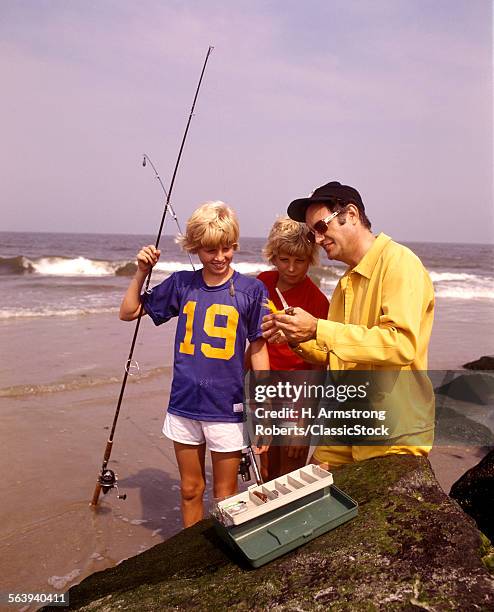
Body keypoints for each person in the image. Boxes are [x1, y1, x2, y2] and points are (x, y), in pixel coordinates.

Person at [261, 181, 435, 470]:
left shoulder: (400, 263)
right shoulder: (345, 283)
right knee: (304, 493)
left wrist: (317, 327)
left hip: (393, 431)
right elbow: (338, 351)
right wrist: (295, 338)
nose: (317, 239)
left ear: (351, 214)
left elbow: (400, 344)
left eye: (321, 227)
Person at [120, 201, 269, 527]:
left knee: (227, 494)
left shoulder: (252, 290)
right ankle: (191, 560)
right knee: (190, 489)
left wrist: (264, 408)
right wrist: (142, 272)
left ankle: (225, 562)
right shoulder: (181, 284)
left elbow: (258, 349)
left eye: (227, 248)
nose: (219, 257)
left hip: (227, 411)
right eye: (209, 250)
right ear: (195, 247)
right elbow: (129, 311)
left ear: (235, 245)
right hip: (184, 405)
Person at [251, 216, 329, 480]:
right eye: (285, 260)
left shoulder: (317, 301)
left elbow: (319, 366)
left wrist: (303, 422)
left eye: (300, 261)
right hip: (263, 388)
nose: (293, 268)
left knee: (290, 470)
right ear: (273, 257)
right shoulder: (260, 284)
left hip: (298, 394)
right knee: (265, 469)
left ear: (311, 260)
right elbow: (249, 341)